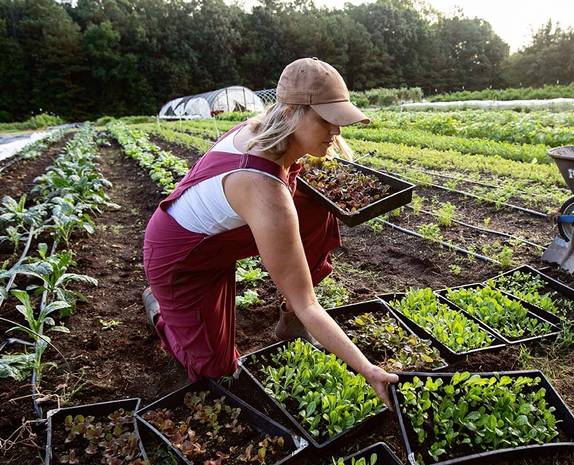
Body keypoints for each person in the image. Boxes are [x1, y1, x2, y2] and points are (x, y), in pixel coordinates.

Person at [142, 57, 398, 407]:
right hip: (182, 259)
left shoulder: (267, 128)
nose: (336, 132)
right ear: (292, 112)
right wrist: (367, 369)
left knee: (315, 206)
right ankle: (160, 308)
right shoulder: (265, 191)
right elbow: (307, 303)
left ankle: (288, 324)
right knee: (214, 369)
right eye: (327, 121)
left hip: (222, 237)